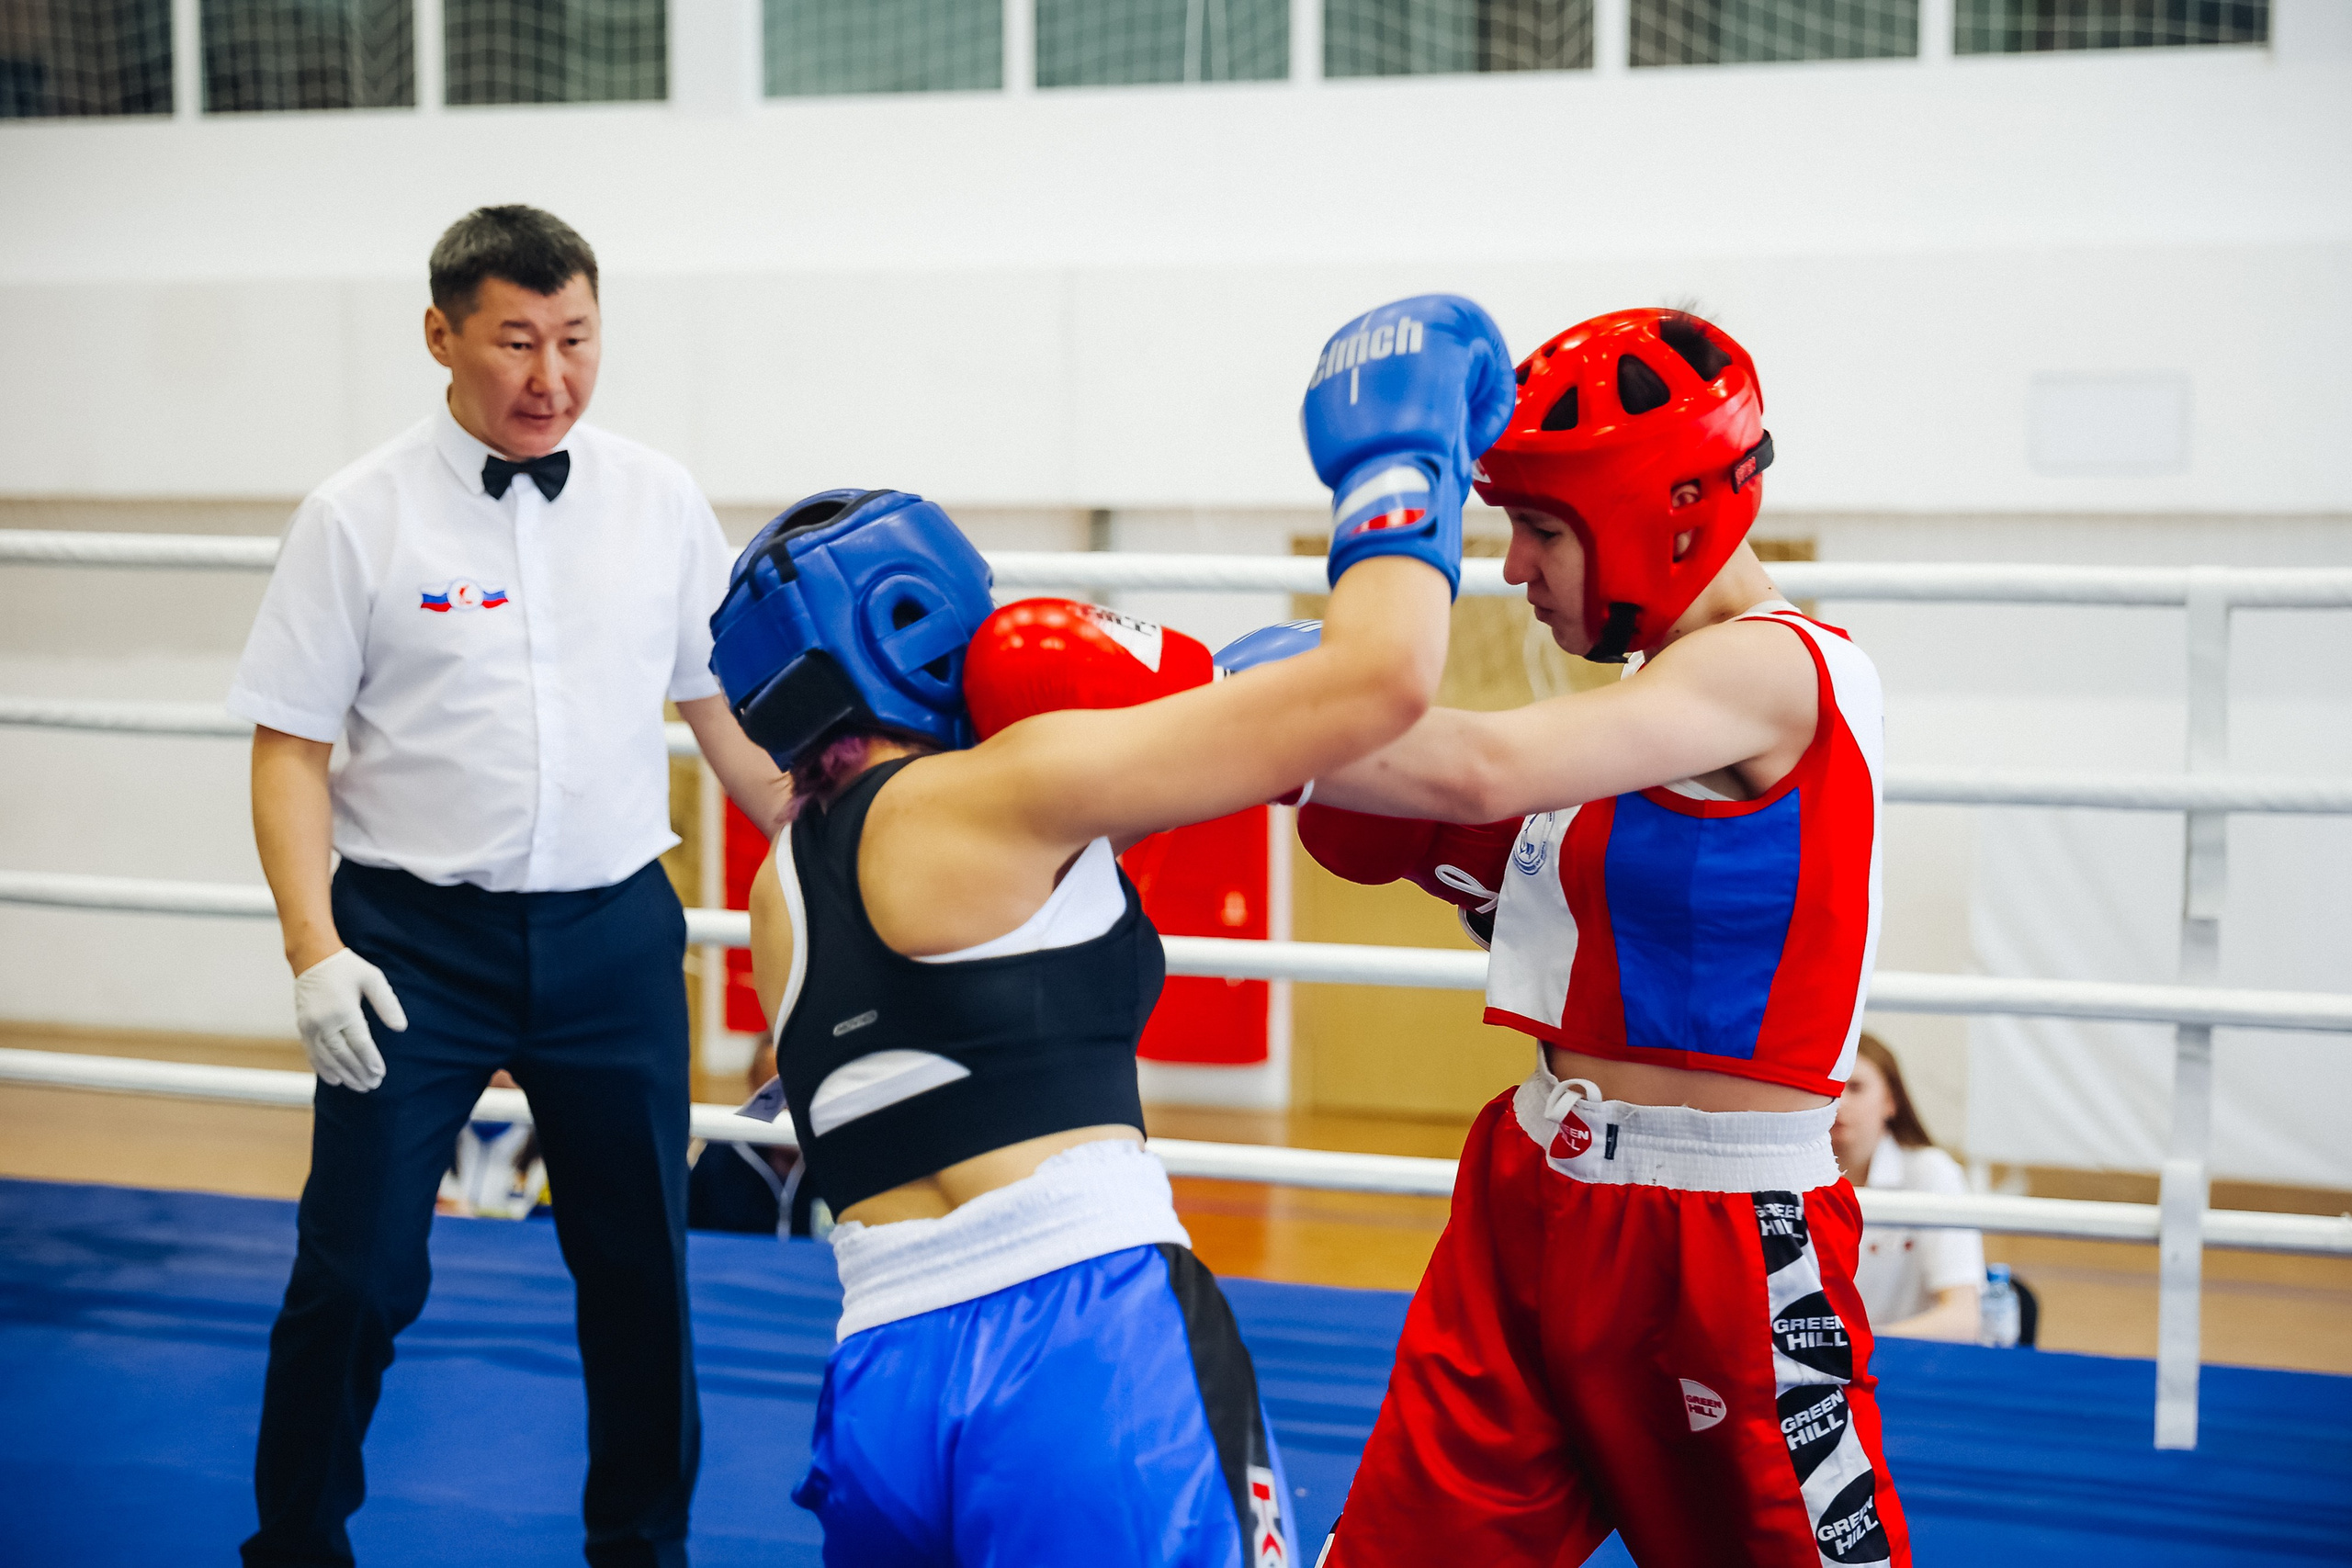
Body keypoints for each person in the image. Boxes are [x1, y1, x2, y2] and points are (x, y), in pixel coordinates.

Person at [710, 294, 1513, 1566]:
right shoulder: (1008, 788)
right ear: (917, 617)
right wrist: (1399, 461)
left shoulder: (782, 882)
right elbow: (1384, 677)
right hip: (1079, 1346)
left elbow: (1002, 956)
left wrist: (1221, 701)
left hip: (880, 1374)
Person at [228, 205, 790, 1568]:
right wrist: (314, 947)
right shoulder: (354, 516)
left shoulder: (657, 495)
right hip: (413, 944)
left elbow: (725, 715)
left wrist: (856, 826)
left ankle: (642, 1548)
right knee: (357, 1269)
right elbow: (290, 748)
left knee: (643, 1271)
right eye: (518, 343)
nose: (552, 378)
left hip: (610, 932)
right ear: (442, 336)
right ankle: (295, 1548)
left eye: (579, 340)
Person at [1301, 309, 1910, 1565]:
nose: (1513, 568)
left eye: (1542, 530)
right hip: (1533, 1194)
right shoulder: (1646, 720)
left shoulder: (1779, 671)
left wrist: (1220, 697)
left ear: (1663, 510)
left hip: (1718, 1238)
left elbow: (1472, 767)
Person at [1834, 1033, 1984, 1341]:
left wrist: (1854, 1350)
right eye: (1829, 1088)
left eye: (1856, 1087)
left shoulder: (1931, 1173)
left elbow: (1963, 1319)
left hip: (1907, 1362)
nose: (1840, 1101)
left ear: (1891, 1102)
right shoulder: (1786, 1178)